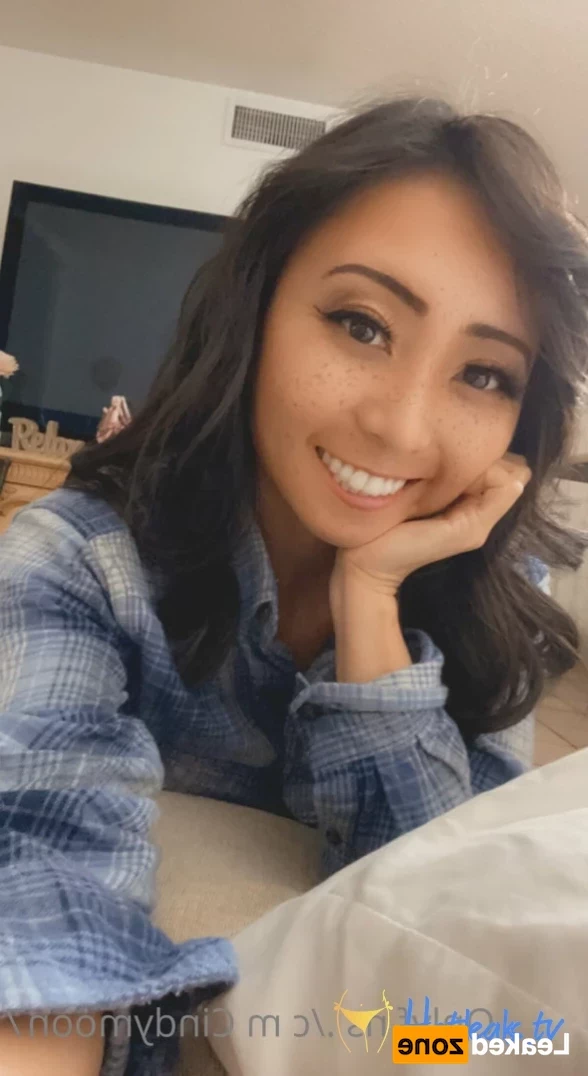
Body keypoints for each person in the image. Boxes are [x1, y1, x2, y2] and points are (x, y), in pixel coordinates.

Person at [1, 95, 587, 1076]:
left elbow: (441, 923)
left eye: (484, 374)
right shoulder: (80, 562)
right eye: (362, 324)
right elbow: (37, 895)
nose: (401, 427)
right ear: (256, 309)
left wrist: (371, 599)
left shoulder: (501, 608)